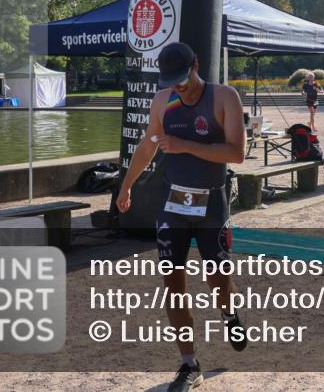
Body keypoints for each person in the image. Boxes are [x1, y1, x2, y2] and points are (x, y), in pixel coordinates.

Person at [115, 42, 248, 391]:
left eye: (183, 78)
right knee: (172, 285)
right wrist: (126, 186)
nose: (178, 86)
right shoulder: (163, 101)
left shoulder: (223, 97)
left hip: (211, 204)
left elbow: (237, 153)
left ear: (196, 65)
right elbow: (148, 144)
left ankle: (229, 312)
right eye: (171, 80)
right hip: (173, 203)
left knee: (218, 281)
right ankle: (189, 364)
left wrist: (186, 145)